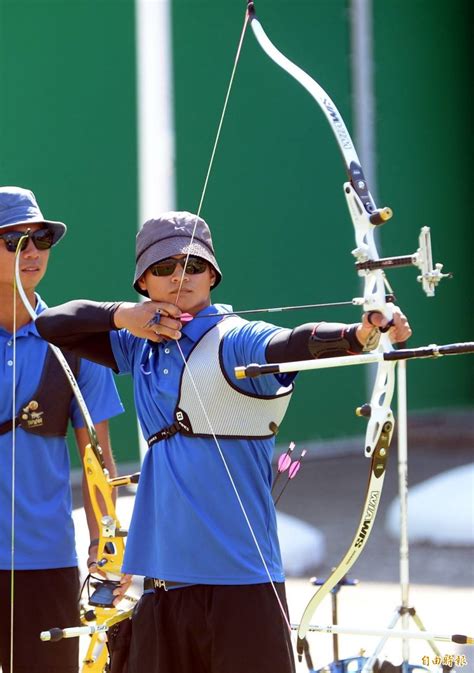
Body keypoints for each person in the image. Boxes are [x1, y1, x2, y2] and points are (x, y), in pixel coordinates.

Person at [36, 211, 412, 673]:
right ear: (143, 281)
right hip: (163, 580)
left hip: (240, 582)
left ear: (212, 274)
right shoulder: (139, 344)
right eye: (164, 267)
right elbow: (51, 324)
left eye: (193, 265)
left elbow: (291, 343)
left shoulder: (236, 338)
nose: (180, 277)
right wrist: (124, 316)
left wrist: (360, 334)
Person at [0, 186, 124, 673]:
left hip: (45, 561)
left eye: (42, 239)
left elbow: (99, 458)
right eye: (15, 240)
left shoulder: (74, 343)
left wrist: (106, 549)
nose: (31, 253)